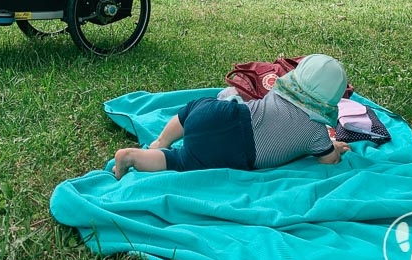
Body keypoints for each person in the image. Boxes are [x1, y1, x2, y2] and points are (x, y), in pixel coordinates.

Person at [112, 53, 351, 179]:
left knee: (193, 109)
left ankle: (161, 140)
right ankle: (134, 157)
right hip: (239, 152)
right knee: (180, 161)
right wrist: (335, 149)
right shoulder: (317, 132)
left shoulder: (278, 94)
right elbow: (328, 161)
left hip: (228, 114)